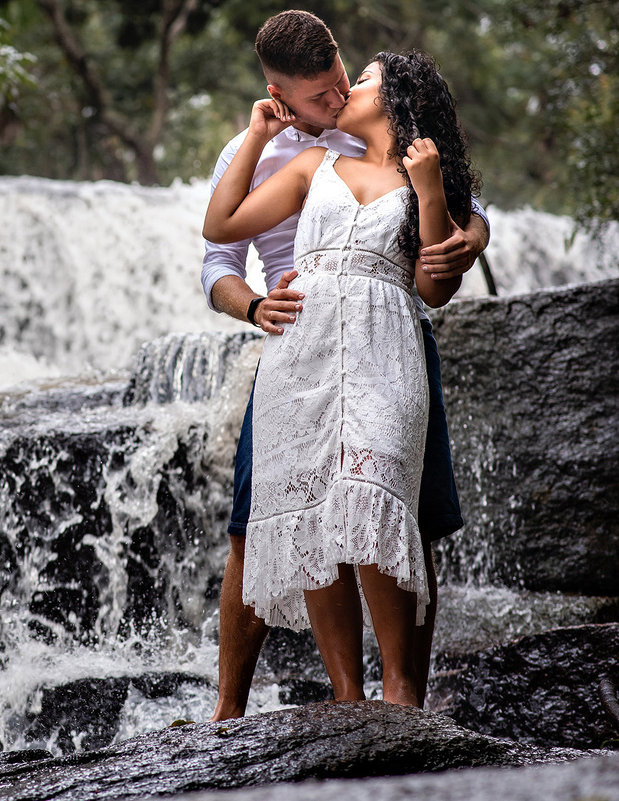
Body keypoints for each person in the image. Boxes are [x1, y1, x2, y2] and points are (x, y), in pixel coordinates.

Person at [201, 11, 489, 719]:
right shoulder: (266, 148)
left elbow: (459, 212)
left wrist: (469, 233)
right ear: (280, 92)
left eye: (345, 80)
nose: (336, 99)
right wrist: (252, 307)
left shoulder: (383, 141)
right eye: (323, 94)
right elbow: (216, 250)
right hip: (297, 343)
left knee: (396, 511)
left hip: (389, 335)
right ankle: (241, 709)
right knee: (272, 517)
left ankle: (402, 699)